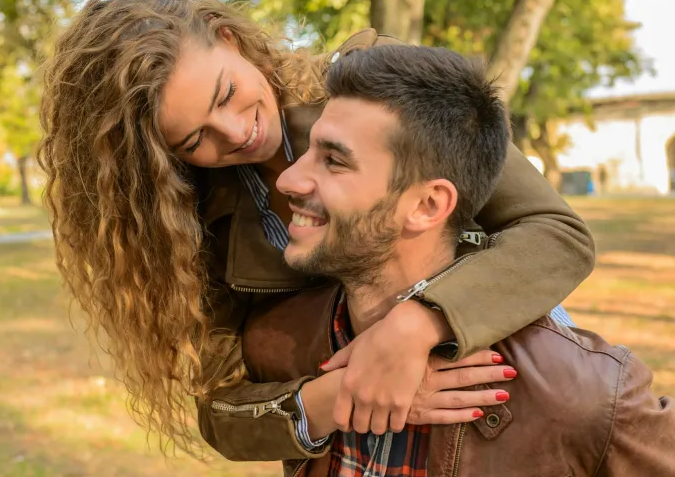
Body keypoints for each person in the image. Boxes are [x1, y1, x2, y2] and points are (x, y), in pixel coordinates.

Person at [37, 0, 594, 457]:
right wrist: (350, 393)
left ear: (228, 38)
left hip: (506, 406)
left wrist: (416, 325)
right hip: (350, 452)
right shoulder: (190, 226)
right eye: (194, 139)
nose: (235, 133)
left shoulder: (371, 83)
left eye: (226, 93)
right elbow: (222, 408)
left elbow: (555, 234)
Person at [240, 45, 675, 476]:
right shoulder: (278, 345)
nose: (288, 179)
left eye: (334, 161)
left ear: (428, 205)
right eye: (311, 151)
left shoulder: (586, 394)